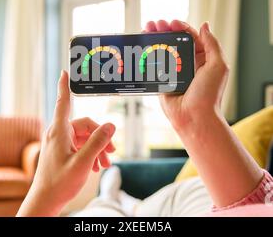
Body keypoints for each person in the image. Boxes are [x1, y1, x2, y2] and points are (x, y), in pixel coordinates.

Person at [17, 20, 273, 217]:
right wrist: (200, 120)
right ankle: (121, 200)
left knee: (102, 211)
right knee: (188, 192)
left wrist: (42, 200)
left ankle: (112, 197)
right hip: (194, 200)